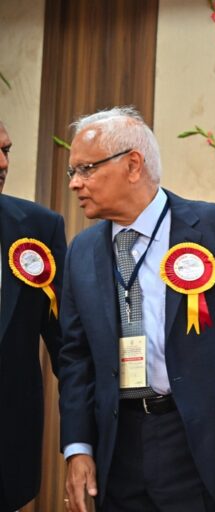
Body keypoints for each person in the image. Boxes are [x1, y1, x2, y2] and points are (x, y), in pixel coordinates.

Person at [58, 106, 215, 512]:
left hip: (204, 446)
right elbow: (75, 358)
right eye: (73, 172)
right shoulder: (82, 251)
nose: (75, 183)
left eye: (86, 169)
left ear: (133, 165)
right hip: (119, 447)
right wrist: (78, 446)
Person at [0, 121, 66, 512]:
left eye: (6, 150)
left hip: (6, 457)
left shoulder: (39, 229)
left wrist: (82, 441)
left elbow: (68, 348)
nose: (2, 163)